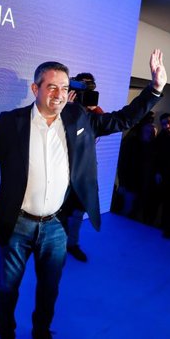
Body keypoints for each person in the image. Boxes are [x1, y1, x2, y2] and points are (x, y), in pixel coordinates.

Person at [0, 51, 167, 339]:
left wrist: (154, 89)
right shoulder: (11, 121)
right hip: (16, 223)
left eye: (64, 88)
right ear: (36, 89)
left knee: (49, 287)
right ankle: (5, 333)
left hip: (55, 226)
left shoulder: (77, 117)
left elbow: (122, 120)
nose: (59, 95)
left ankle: (41, 331)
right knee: (8, 287)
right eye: (51, 87)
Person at [64, 72, 104, 262]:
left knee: (79, 210)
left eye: (91, 88)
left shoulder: (95, 113)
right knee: (60, 209)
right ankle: (56, 245)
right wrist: (68, 107)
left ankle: (72, 244)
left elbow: (103, 125)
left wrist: (90, 109)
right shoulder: (64, 108)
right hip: (62, 168)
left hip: (84, 169)